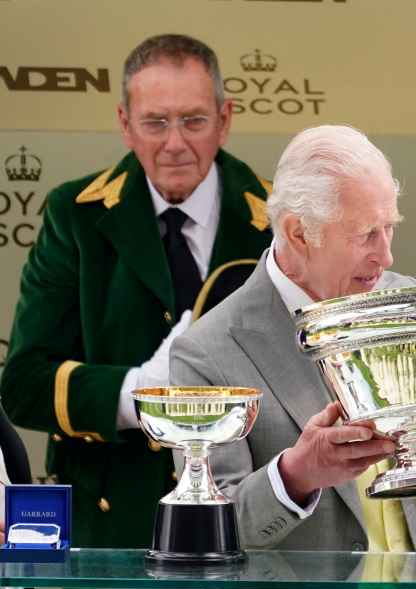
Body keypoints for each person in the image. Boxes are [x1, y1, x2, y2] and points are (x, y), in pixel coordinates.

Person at [169, 124, 416, 554]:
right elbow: (209, 531)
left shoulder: (402, 299)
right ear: (298, 233)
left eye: (390, 228)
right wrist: (297, 475)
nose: (385, 256)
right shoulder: (207, 350)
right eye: (366, 234)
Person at [0, 33, 272, 553]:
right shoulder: (75, 216)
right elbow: (25, 385)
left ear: (225, 118)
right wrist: (139, 393)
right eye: (155, 122)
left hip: (246, 528)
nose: (174, 143)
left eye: (193, 120)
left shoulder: (276, 219)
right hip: (113, 533)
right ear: (125, 124)